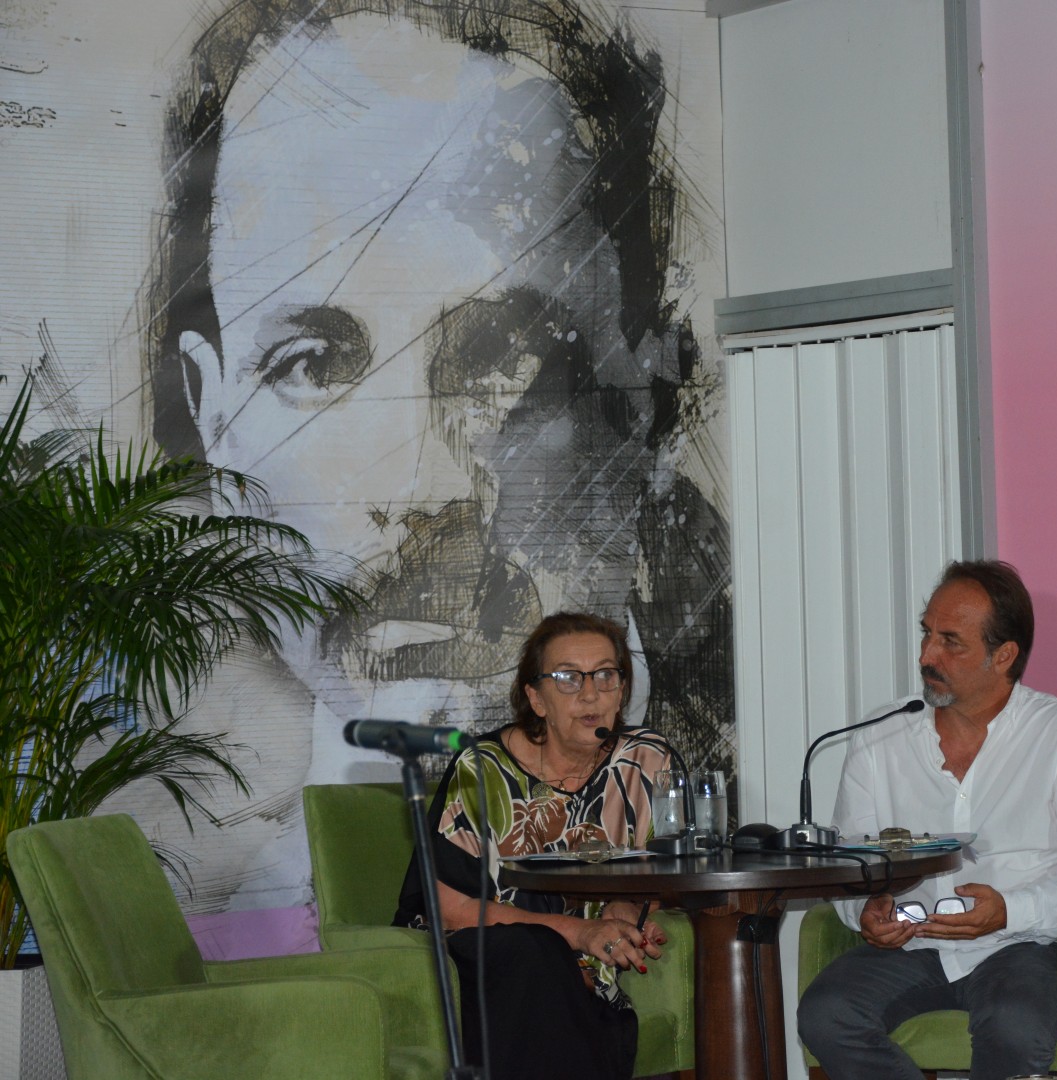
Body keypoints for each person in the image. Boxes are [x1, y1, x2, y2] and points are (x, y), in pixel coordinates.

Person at [138, 0, 733, 907]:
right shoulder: (232, 899)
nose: (423, 486)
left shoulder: (708, 804)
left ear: (651, 384)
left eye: (505, 358)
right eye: (310, 364)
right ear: (211, 415)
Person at [797, 560, 1057, 1080]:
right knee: (826, 1015)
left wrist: (1010, 911)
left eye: (950, 642)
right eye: (927, 633)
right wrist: (865, 907)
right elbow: (850, 859)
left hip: (1023, 945)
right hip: (914, 942)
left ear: (1003, 656)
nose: (926, 655)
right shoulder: (879, 737)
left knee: (1015, 1025)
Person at [394, 611, 672, 1079]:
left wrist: (628, 906)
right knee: (534, 954)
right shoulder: (481, 768)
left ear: (622, 690)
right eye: (567, 678)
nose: (590, 694)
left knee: (553, 970)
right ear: (536, 699)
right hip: (478, 951)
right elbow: (450, 909)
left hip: (583, 958)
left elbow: (673, 864)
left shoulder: (645, 759)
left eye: (605, 675)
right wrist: (576, 933)